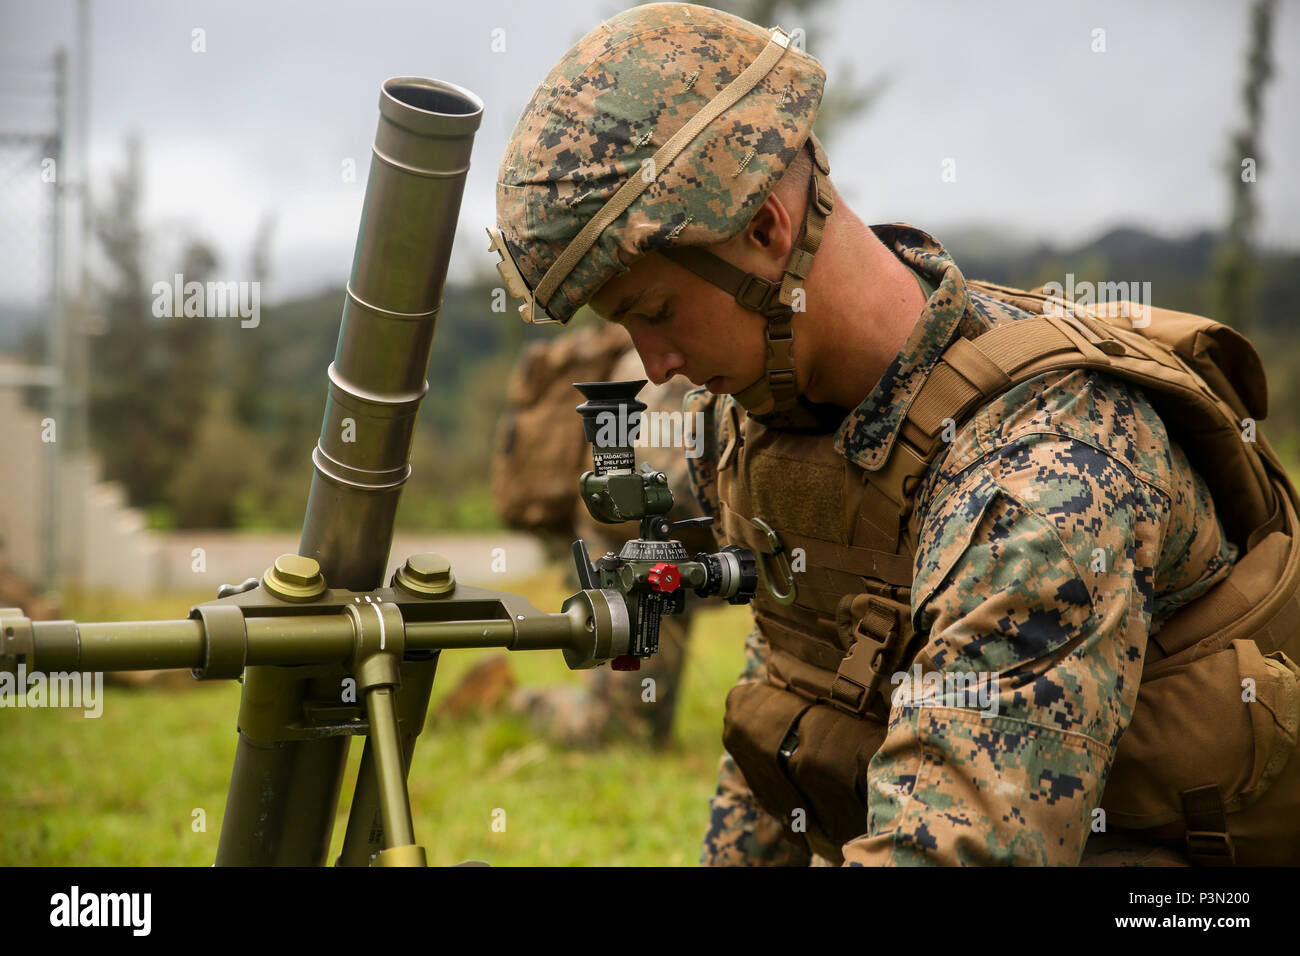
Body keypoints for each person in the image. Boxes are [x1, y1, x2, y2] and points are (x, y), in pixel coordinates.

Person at [487, 1, 1300, 865]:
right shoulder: (773, 432)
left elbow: (954, 852)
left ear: (766, 229)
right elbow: (786, 722)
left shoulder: (1045, 470)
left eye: (656, 313)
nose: (654, 366)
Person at [471, 319, 710, 749]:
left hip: (675, 548)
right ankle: (507, 702)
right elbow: (651, 495)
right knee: (623, 733)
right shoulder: (657, 371)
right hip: (628, 549)